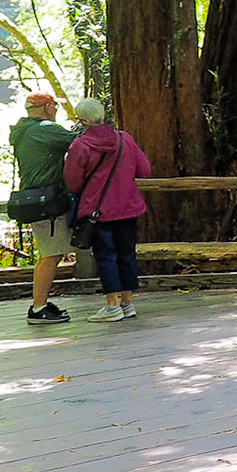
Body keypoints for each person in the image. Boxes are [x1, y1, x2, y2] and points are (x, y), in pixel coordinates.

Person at [62, 99, 152, 323]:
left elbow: (72, 182)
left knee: (106, 256)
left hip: (97, 210)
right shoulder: (124, 139)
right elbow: (145, 169)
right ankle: (127, 302)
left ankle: (112, 305)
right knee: (127, 254)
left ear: (81, 121)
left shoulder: (80, 146)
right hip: (128, 207)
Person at [10, 93, 78, 325]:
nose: (56, 111)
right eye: (55, 106)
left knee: (48, 255)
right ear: (47, 107)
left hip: (36, 199)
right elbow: (76, 140)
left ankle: (41, 304)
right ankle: (38, 308)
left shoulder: (24, 130)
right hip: (47, 202)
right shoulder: (46, 129)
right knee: (51, 256)